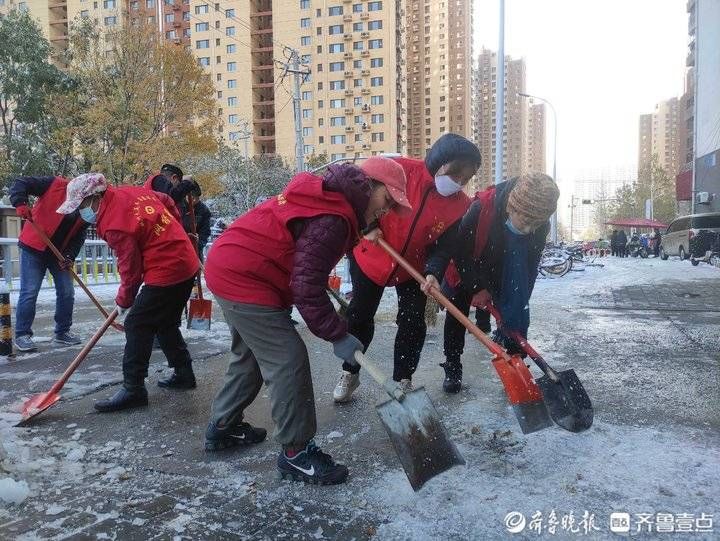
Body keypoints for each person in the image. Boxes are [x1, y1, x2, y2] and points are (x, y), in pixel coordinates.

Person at [202, 157, 410, 486]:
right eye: (387, 201)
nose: (386, 212)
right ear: (369, 187)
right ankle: (297, 454)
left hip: (232, 265)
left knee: (253, 355)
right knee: (287, 357)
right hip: (247, 277)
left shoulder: (328, 199)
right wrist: (337, 335)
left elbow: (303, 266)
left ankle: (223, 426)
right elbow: (305, 288)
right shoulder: (334, 218)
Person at [333, 133, 481, 403]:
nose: (458, 183)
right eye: (455, 173)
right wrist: (366, 225)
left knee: (413, 321)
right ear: (439, 162)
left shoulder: (460, 205)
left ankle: (403, 377)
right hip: (370, 254)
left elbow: (444, 245)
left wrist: (433, 272)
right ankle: (350, 371)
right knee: (360, 316)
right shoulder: (401, 170)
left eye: (465, 178)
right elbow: (356, 185)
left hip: (412, 265)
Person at [56, 174, 201, 412]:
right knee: (165, 323)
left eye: (82, 205)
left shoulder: (114, 222)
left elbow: (130, 268)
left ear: (95, 197)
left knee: (137, 324)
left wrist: (124, 300)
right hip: (185, 262)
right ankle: (184, 373)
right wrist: (172, 227)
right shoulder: (130, 191)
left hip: (168, 268)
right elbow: (166, 199)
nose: (81, 212)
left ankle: (133, 389)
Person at [427, 173, 559, 393]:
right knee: (457, 315)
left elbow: (529, 267)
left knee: (516, 310)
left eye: (534, 224)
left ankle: (516, 365)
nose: (528, 229)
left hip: (505, 267)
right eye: (525, 222)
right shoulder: (482, 208)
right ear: (512, 207)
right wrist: (476, 288)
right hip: (468, 265)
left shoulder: (539, 224)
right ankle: (452, 365)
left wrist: (518, 300)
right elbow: (460, 253)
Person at [9, 174, 92, 352]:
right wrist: (20, 203)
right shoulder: (54, 184)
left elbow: (79, 236)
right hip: (34, 247)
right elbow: (20, 182)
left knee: (67, 291)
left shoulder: (87, 207)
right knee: (30, 292)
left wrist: (69, 256)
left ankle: (62, 332)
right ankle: (22, 334)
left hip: (58, 254)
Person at [181, 179, 212, 260]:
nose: (193, 200)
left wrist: (199, 242)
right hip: (180, 248)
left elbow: (205, 232)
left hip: (196, 250)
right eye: (190, 197)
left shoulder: (204, 210)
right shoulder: (179, 206)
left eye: (196, 197)